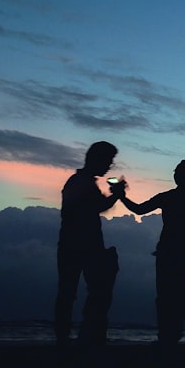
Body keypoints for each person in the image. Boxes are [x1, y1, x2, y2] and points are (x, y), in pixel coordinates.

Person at [119, 160, 185, 345]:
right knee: (177, 294)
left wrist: (121, 196)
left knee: (165, 294)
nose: (175, 174)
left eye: (177, 171)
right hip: (182, 252)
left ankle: (166, 334)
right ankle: (171, 334)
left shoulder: (169, 197)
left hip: (170, 252)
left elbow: (139, 209)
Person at [55, 141, 123, 345]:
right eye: (108, 161)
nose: (109, 165)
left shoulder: (81, 182)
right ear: (98, 160)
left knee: (72, 291)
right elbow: (94, 207)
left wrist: (114, 196)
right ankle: (72, 336)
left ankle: (72, 335)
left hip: (75, 244)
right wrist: (116, 195)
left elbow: (94, 207)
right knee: (82, 290)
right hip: (80, 244)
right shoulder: (81, 182)